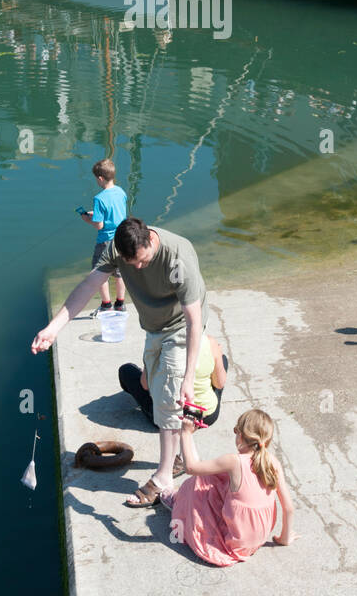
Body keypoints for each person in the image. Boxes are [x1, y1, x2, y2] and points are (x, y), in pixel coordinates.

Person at [31, 217, 208, 507]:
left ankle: (164, 477)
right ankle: (181, 456)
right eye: (131, 263)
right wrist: (53, 328)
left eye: (142, 261)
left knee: (168, 397)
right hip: (153, 327)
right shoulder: (116, 249)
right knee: (153, 389)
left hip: (180, 326)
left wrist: (188, 378)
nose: (137, 268)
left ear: (150, 240)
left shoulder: (178, 256)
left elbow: (194, 320)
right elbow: (88, 286)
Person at [160, 408, 294, 566]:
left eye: (236, 430)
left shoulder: (234, 461)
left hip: (231, 544)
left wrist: (186, 433)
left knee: (198, 481)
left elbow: (190, 468)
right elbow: (288, 508)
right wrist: (284, 538)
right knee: (219, 477)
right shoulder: (273, 462)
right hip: (256, 541)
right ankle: (183, 500)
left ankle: (178, 503)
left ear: (241, 435)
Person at [119, 332, 228, 431]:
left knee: (126, 370)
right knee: (222, 360)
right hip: (205, 417)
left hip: (167, 419)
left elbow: (145, 385)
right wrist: (217, 353)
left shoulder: (157, 343)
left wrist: (147, 365)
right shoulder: (209, 342)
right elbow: (219, 384)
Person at [79, 158, 128, 313]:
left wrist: (88, 219)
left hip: (105, 241)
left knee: (100, 272)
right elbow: (116, 212)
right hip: (121, 238)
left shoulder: (99, 199)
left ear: (100, 178)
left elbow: (99, 225)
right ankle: (120, 303)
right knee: (120, 273)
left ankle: (106, 305)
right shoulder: (121, 192)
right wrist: (97, 215)